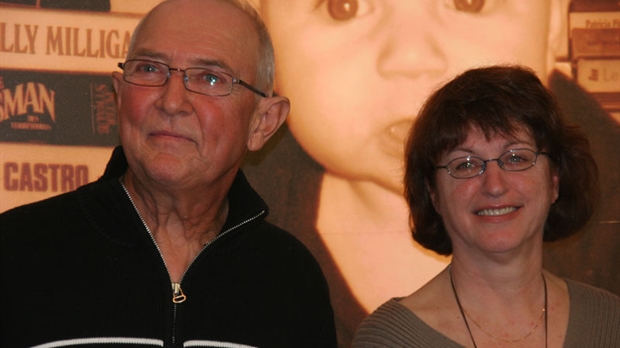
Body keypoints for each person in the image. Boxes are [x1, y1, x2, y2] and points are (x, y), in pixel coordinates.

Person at [242, 1, 620, 346]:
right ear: (266, 41)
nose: (411, 57)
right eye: (344, 7)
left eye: (469, 3)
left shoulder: (607, 313)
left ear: (554, 21)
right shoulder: (238, 259)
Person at [0, 0, 337, 347]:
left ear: (262, 123)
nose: (172, 101)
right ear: (118, 96)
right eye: (149, 69)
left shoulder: (292, 281)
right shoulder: (16, 252)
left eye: (210, 78)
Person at [352, 65, 620, 348]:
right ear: (434, 194)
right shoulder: (389, 341)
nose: (494, 185)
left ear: (554, 180)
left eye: (516, 158)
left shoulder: (610, 322)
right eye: (465, 165)